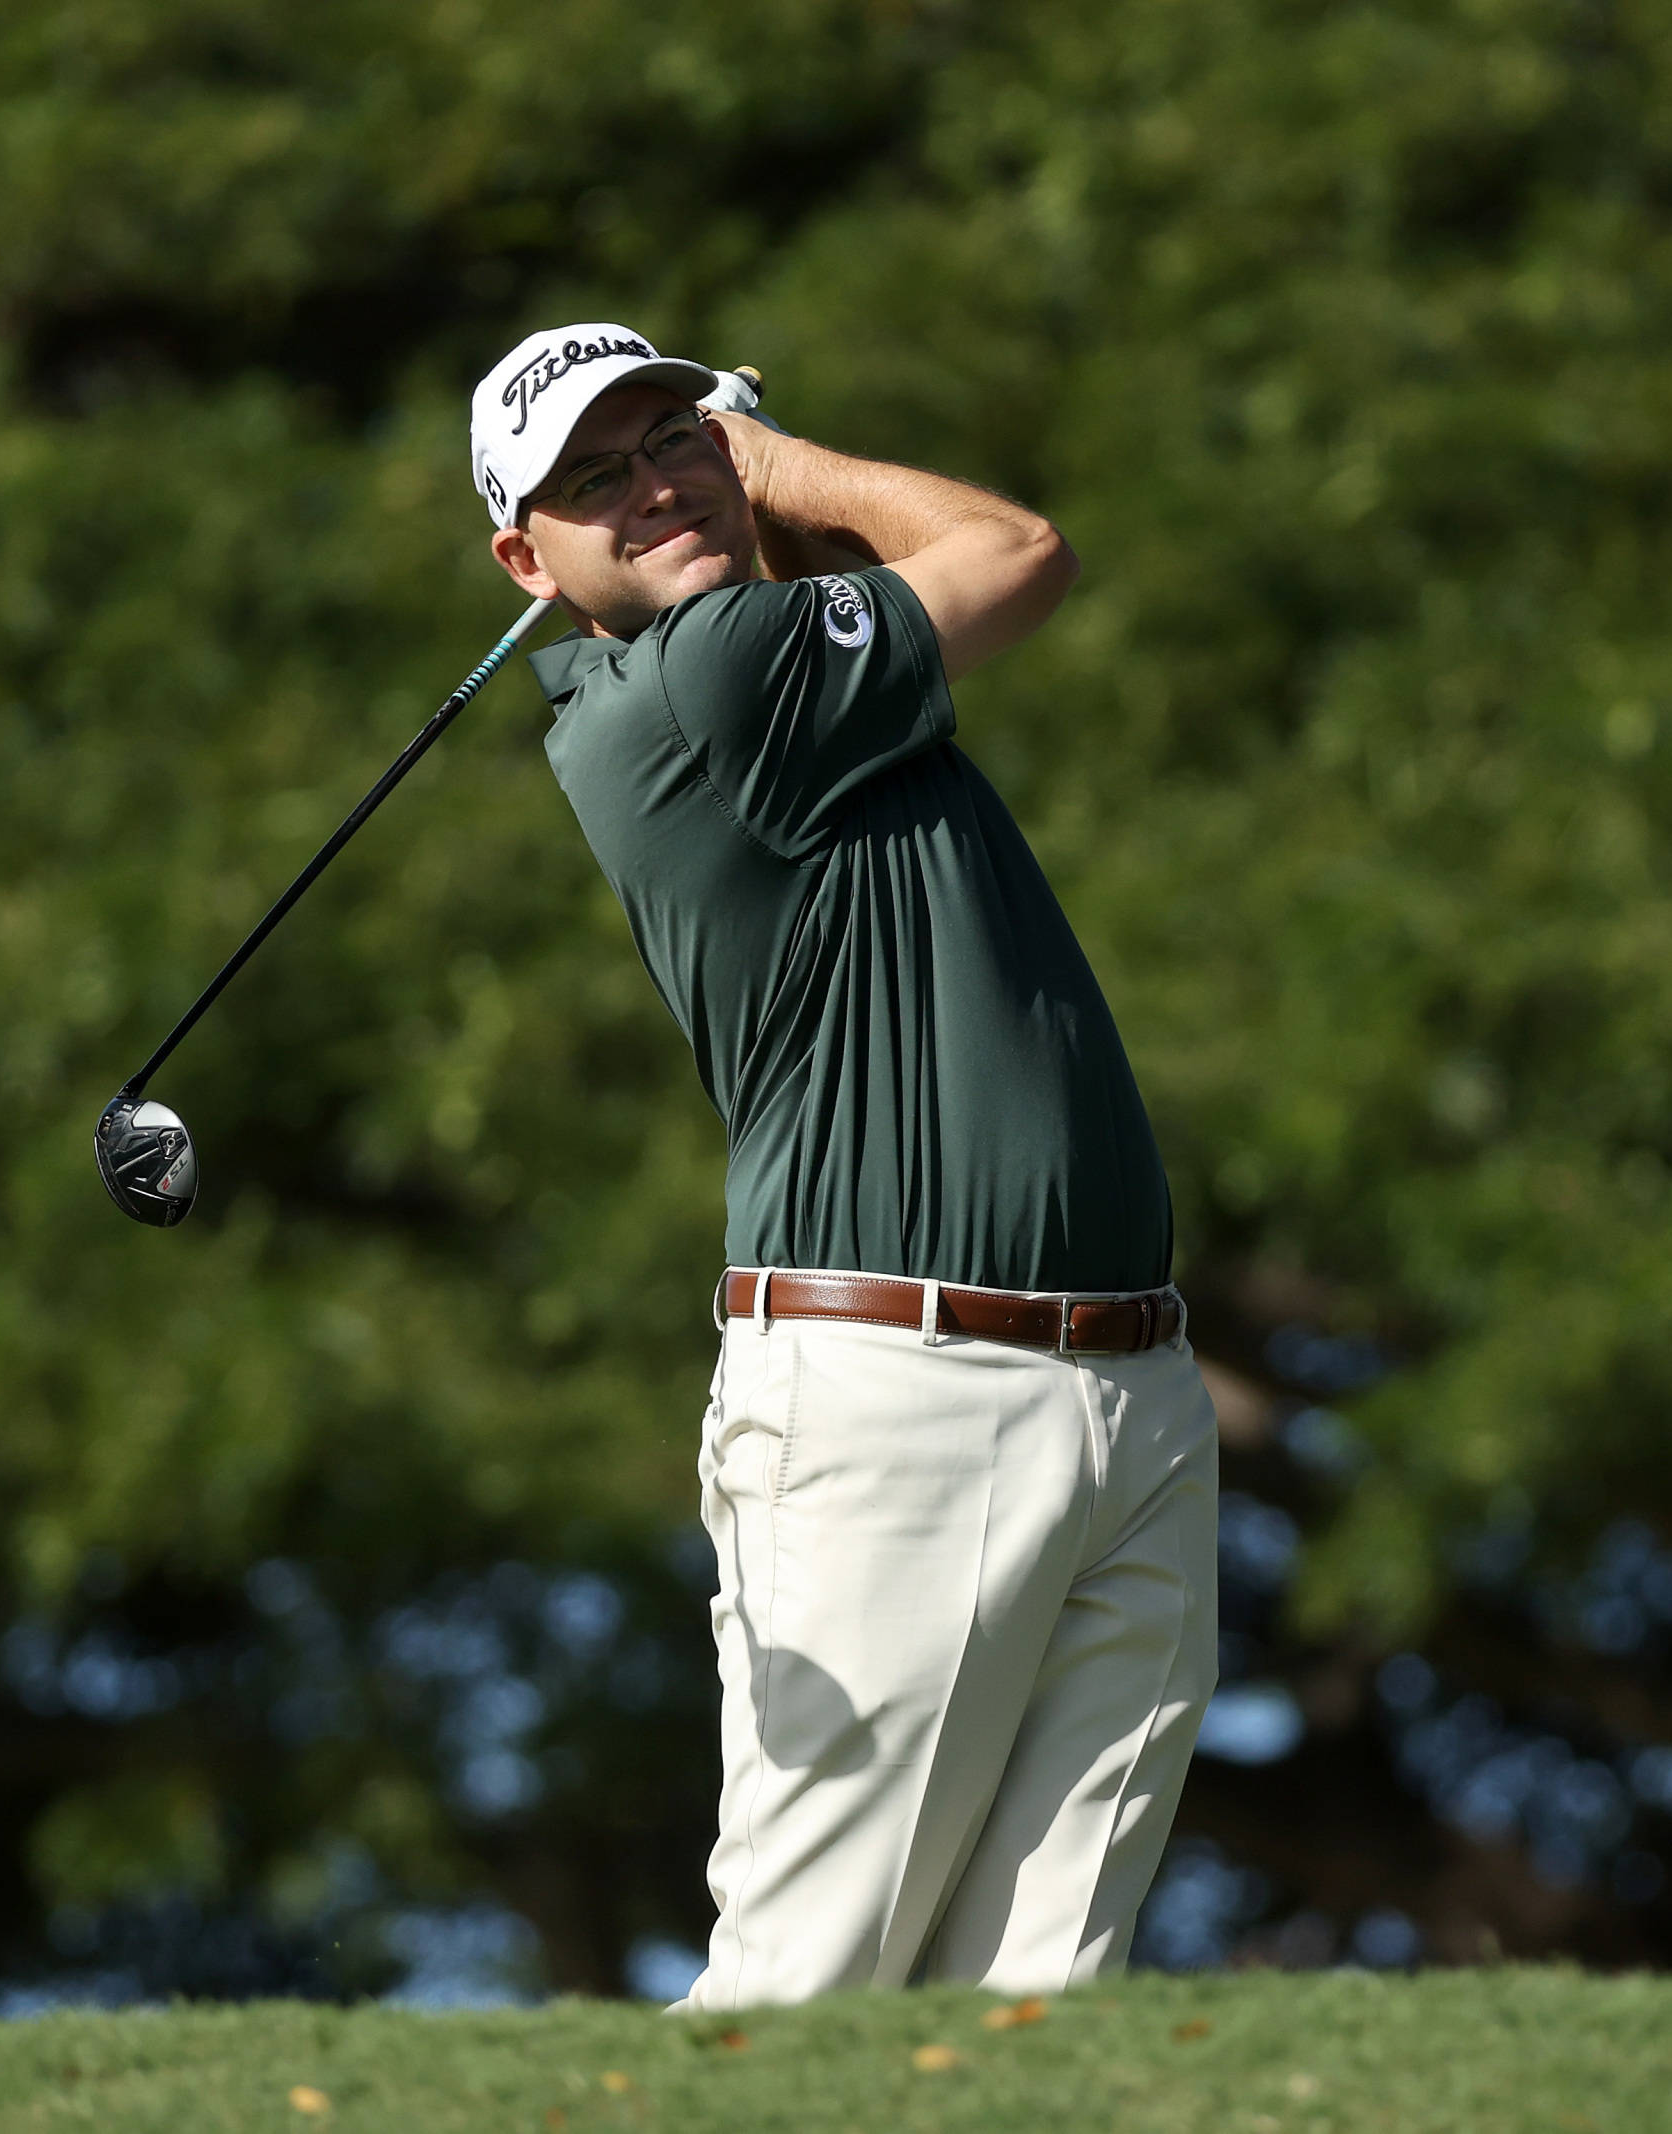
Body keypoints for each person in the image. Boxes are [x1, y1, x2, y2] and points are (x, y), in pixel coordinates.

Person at [468, 324, 1217, 2009]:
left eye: (672, 439)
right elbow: (1014, 549)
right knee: (799, 2004)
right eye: (595, 476)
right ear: (529, 564)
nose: (656, 485)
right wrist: (777, 462)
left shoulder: (780, 670)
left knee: (1029, 2017)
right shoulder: (712, 673)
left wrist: (746, 504)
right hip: (902, 1396)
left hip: (1131, 1390)